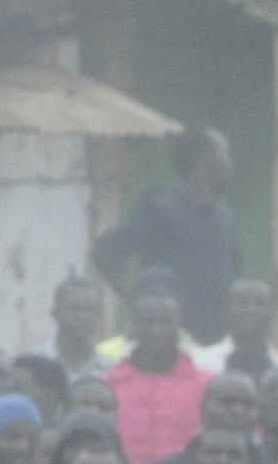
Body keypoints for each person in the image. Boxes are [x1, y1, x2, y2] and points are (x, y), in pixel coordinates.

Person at [93, 131, 242, 339]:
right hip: (169, 341)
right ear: (205, 160)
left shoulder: (222, 216)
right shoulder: (163, 207)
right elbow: (105, 249)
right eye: (226, 155)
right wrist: (136, 301)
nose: (230, 164)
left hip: (215, 340)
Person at [105, 284, 213, 464]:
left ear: (179, 327)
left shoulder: (207, 386)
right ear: (135, 327)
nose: (157, 330)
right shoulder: (109, 384)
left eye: (165, 322)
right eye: (149, 322)